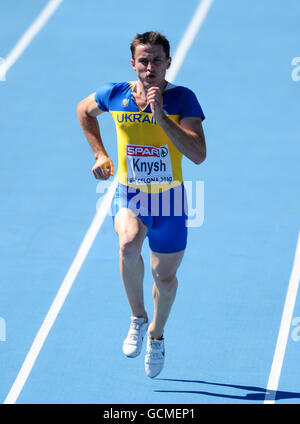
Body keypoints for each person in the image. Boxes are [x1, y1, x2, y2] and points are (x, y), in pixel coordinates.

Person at [77, 31, 206, 378]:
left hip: (171, 201)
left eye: (157, 61)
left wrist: (161, 117)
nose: (150, 67)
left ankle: (157, 335)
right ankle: (137, 317)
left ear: (168, 63)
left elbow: (198, 155)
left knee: (165, 278)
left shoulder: (183, 99)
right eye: (143, 61)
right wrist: (99, 153)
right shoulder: (115, 94)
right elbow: (84, 110)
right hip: (131, 192)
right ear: (133, 63)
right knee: (128, 243)